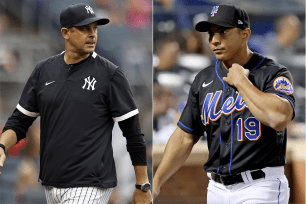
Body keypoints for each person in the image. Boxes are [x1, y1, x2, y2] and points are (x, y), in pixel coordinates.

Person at [0, 3, 152, 204]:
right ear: (65, 33)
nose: (92, 34)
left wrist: (142, 185)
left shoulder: (110, 74)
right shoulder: (44, 70)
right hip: (53, 182)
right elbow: (20, 120)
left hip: (90, 183)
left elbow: (133, 132)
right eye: (84, 28)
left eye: (95, 28)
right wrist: (2, 146)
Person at [153, 4, 294, 204]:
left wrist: (242, 82)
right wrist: (157, 180)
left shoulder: (272, 73)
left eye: (223, 32)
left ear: (245, 34)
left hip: (260, 186)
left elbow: (279, 118)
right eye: (211, 34)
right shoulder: (204, 79)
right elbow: (185, 136)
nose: (215, 40)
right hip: (217, 189)